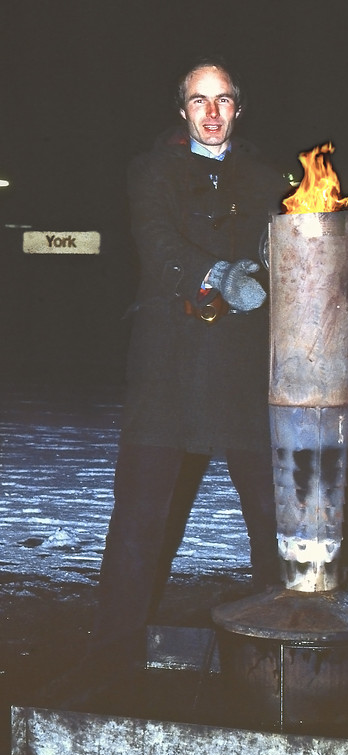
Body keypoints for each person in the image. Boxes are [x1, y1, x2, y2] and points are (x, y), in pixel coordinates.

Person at [91, 57, 288, 656]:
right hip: (168, 368)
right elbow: (156, 244)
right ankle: (116, 650)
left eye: (222, 100)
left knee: (271, 517)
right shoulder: (150, 171)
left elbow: (289, 249)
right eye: (199, 101)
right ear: (182, 109)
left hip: (243, 367)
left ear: (238, 107)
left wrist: (342, 286)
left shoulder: (266, 176)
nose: (211, 113)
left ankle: (283, 647)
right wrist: (214, 273)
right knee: (141, 517)